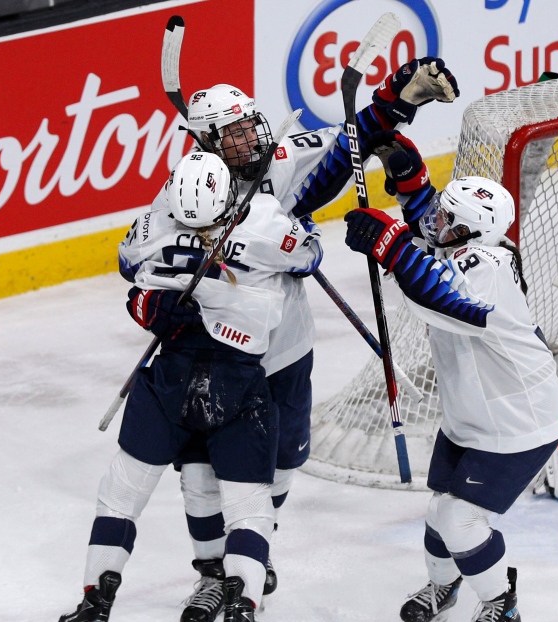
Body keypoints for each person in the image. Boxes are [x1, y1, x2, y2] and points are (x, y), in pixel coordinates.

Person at [135, 57, 458, 622]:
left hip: (285, 348)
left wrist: (396, 100)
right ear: (208, 143)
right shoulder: (181, 192)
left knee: (285, 459)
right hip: (211, 351)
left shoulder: (277, 154)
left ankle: (253, 544)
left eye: (248, 125)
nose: (249, 137)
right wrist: (161, 294)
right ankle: (215, 575)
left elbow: (345, 147)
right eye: (232, 133)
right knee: (203, 474)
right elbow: (131, 254)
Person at [58, 151, 324, 622]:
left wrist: (146, 304)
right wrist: (305, 232)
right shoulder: (261, 219)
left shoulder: (157, 219)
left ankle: (95, 604)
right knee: (244, 506)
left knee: (124, 494)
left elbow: (126, 266)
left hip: (173, 378)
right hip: (234, 381)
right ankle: (238, 602)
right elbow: (307, 259)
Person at [343, 169, 558, 622]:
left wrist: (391, 246)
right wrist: (409, 179)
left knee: (460, 522)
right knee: (437, 513)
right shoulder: (467, 247)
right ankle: (443, 590)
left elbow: (441, 297)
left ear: (468, 231)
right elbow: (426, 245)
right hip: (471, 415)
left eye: (446, 217)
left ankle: (502, 605)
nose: (435, 221)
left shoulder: (488, 266)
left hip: (517, 422)